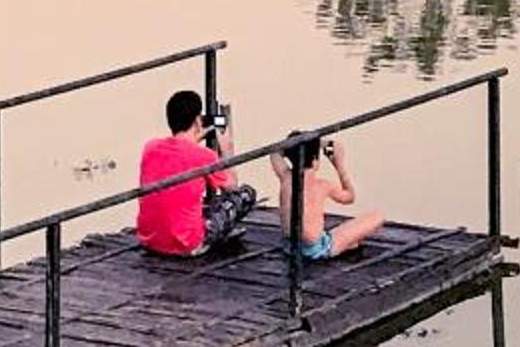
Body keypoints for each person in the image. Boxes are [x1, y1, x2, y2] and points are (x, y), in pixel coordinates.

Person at [136, 89, 258, 260]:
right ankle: (211, 237)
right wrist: (227, 150)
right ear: (197, 121)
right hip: (186, 245)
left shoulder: (150, 147)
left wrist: (194, 139)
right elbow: (232, 187)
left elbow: (180, 152)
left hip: (150, 240)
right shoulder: (204, 156)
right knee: (246, 194)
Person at [284, 134, 387, 263]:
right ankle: (346, 244)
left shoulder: (285, 177)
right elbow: (349, 197)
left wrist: (305, 144)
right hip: (318, 249)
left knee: (350, 240)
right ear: (315, 161)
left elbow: (275, 152)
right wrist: (338, 164)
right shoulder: (322, 186)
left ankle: (349, 244)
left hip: (291, 247)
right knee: (377, 216)